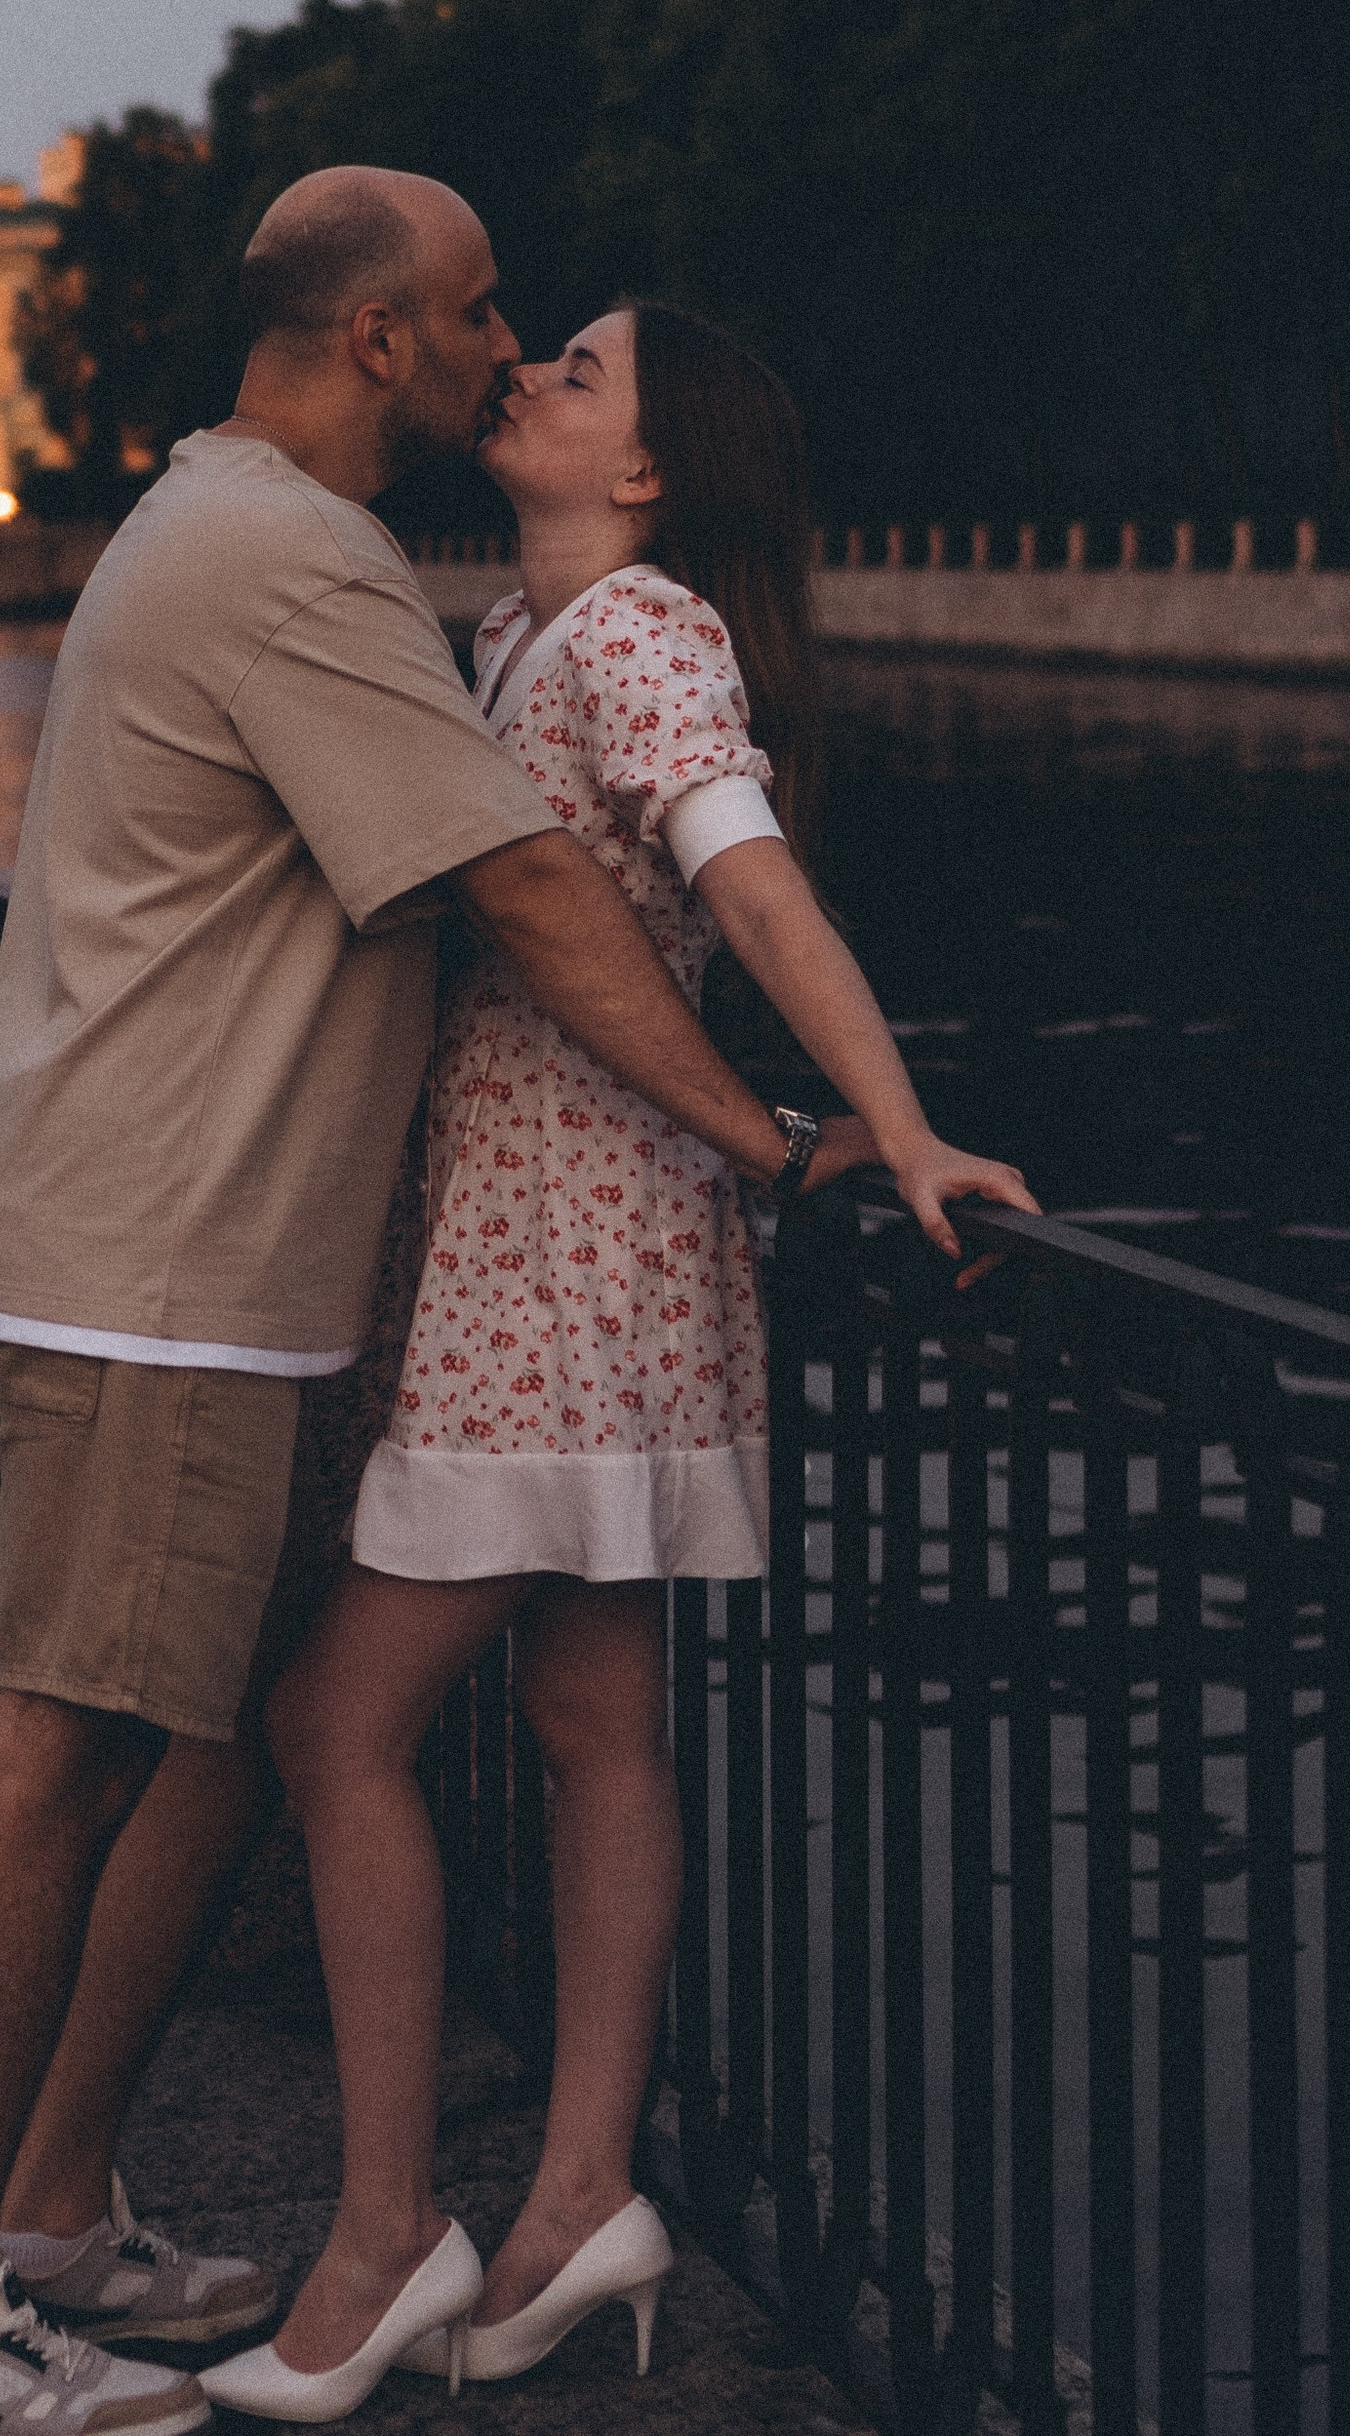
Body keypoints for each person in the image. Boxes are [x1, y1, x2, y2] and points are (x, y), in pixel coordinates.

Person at [0, 187, 882, 2436]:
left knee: (233, 1735)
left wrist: (817, 1116)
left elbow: (651, 859)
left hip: (261, 1262)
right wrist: (776, 1137)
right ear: (385, 339)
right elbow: (517, 882)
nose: (510, 345)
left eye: (557, 341)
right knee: (84, 1743)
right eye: (491, 310)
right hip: (173, 1268)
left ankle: (71, 2225)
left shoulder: (277, 541)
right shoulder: (312, 569)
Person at [204, 302, 1039, 2419]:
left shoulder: (639, 633)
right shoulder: (516, 629)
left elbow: (750, 892)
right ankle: (579, 2194)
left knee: (330, 1721)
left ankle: (387, 2235)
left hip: (560, 1259)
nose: (531, 381)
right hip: (587, 1242)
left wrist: (902, 1121)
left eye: (576, 374)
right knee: (592, 1718)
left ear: (650, 474)